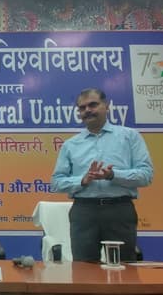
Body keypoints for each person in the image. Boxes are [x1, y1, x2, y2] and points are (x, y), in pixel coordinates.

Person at [50, 88, 153, 262]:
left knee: (123, 266)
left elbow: (146, 175)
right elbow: (56, 182)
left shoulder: (129, 137)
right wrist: (82, 180)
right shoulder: (70, 144)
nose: (87, 110)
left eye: (93, 105)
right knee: (84, 269)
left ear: (107, 106)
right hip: (84, 212)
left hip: (119, 210)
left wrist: (113, 175)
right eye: (82, 108)